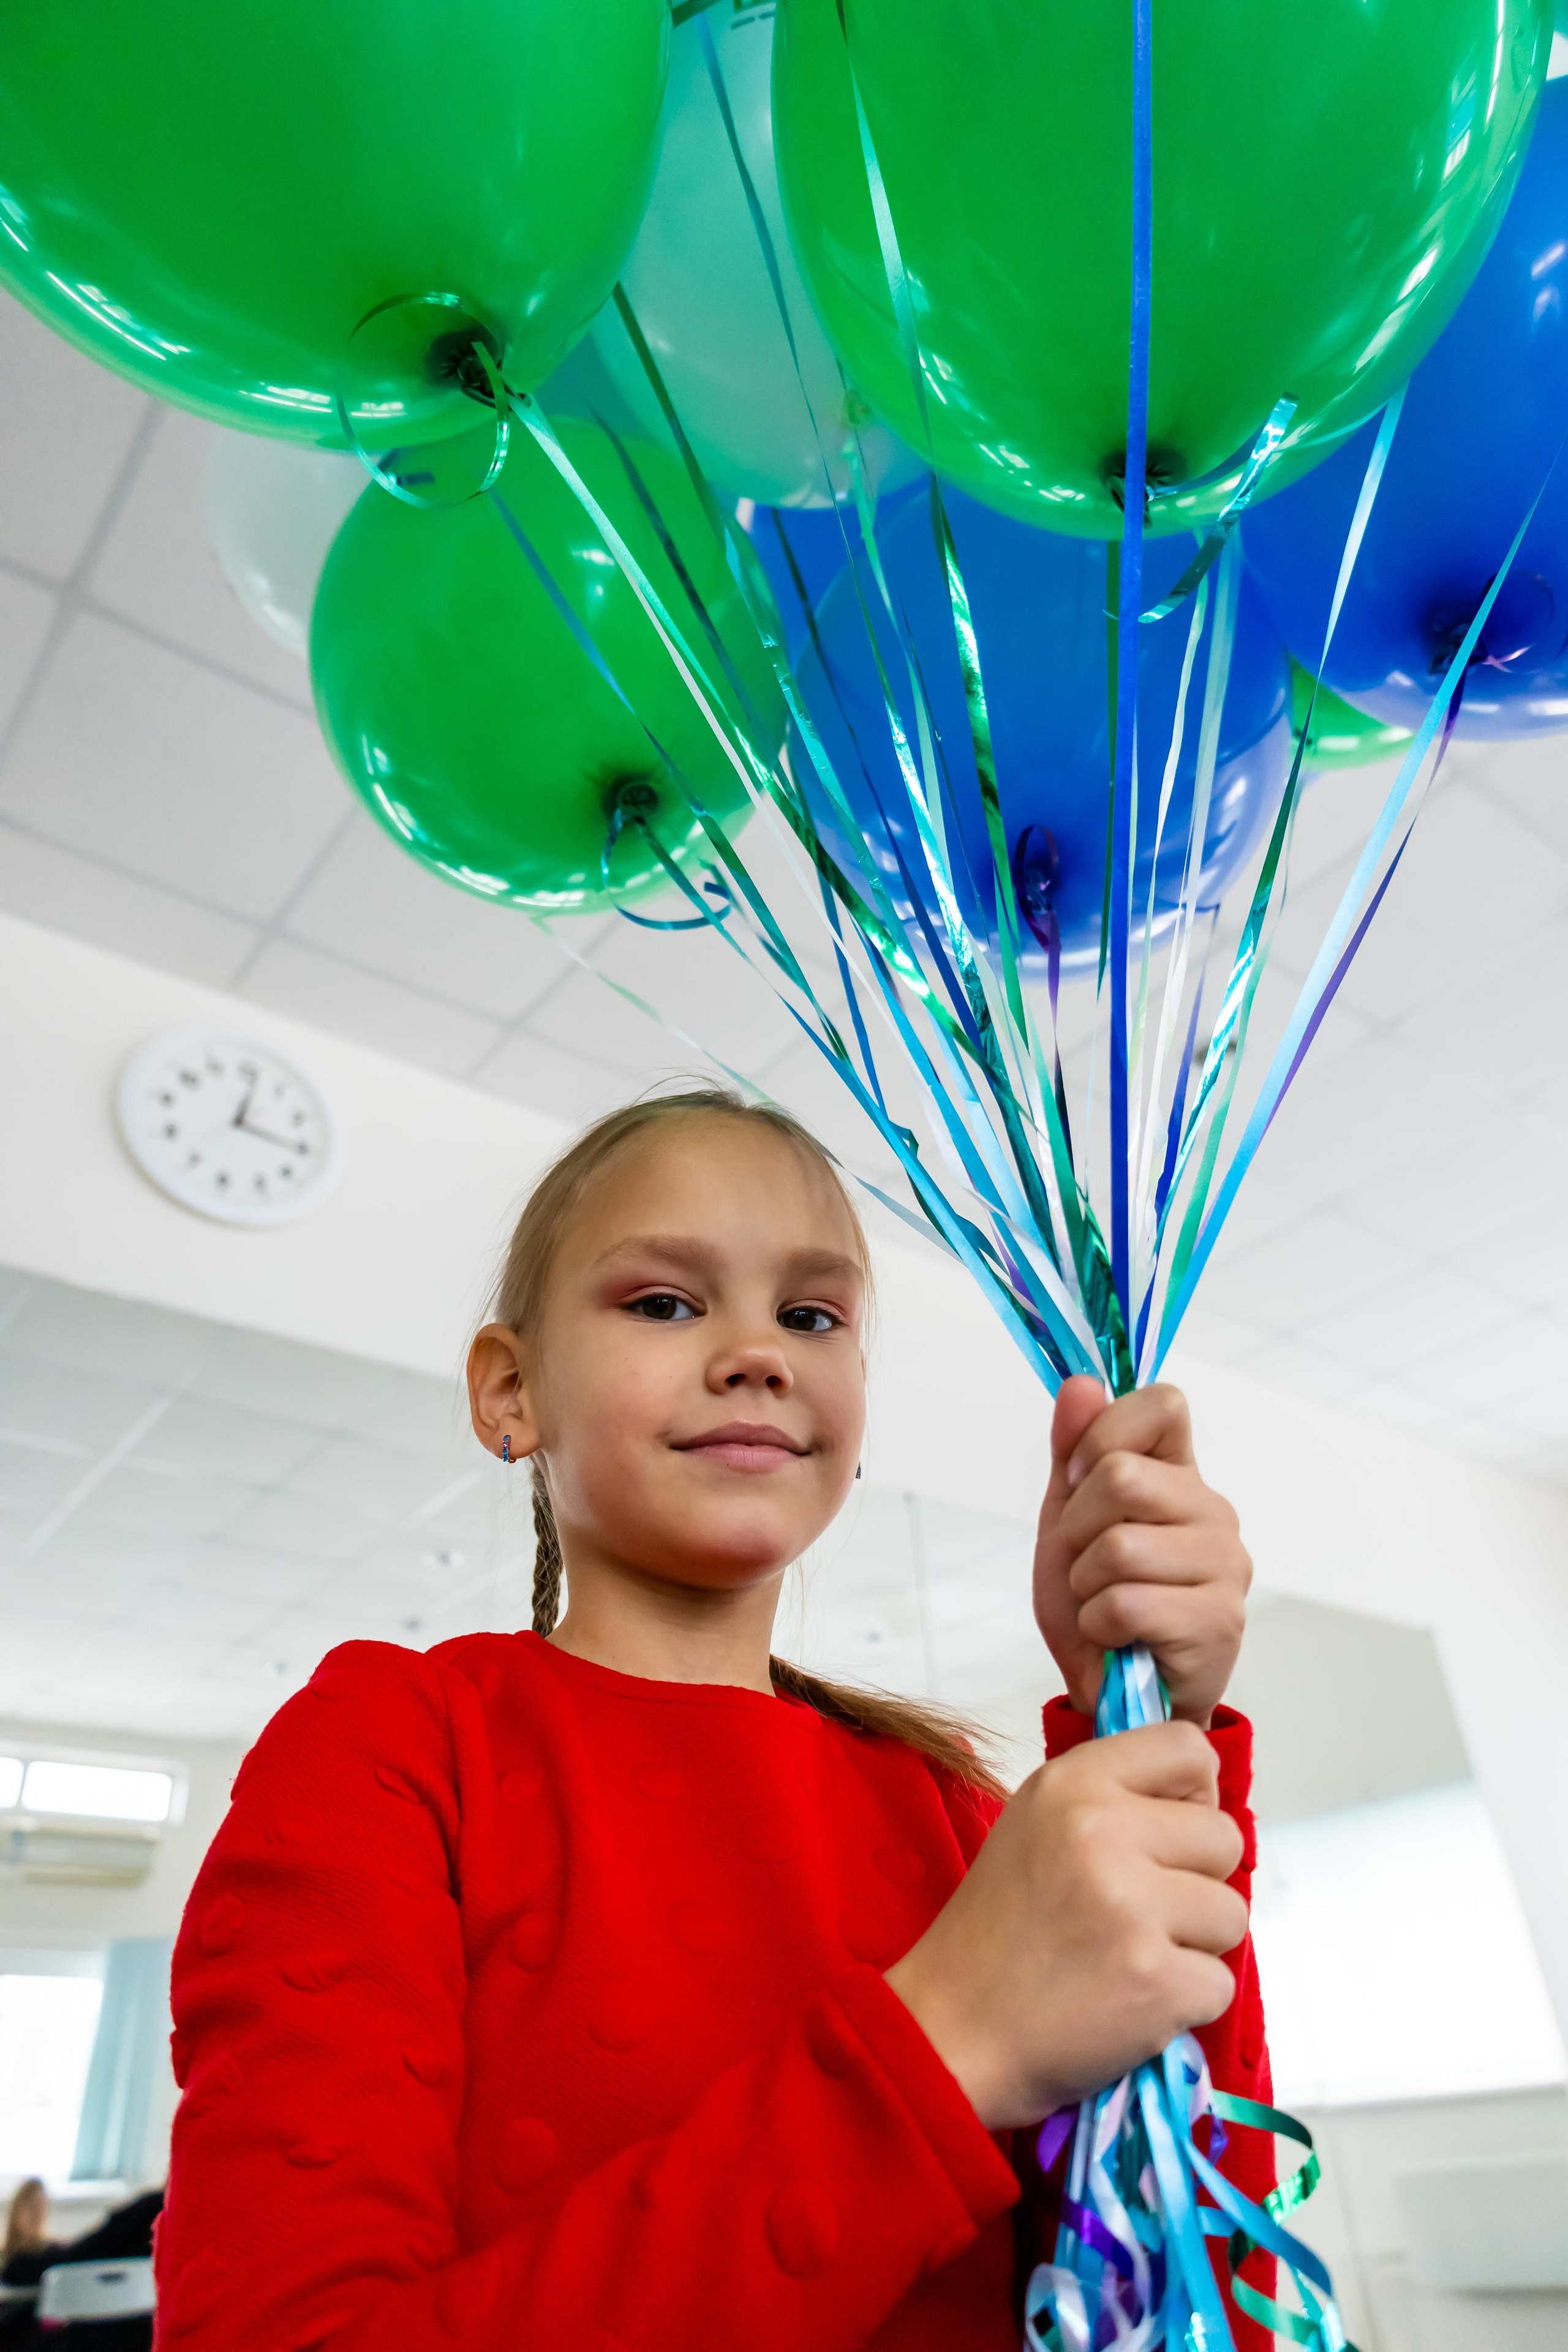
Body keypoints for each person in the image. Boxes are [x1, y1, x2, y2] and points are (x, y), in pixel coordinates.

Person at [156, 1087, 1271, 2350]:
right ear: (509, 1391)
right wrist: (943, 2041)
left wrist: (1148, 1729)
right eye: (664, 1303)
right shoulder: (397, 1743)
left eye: (810, 1315)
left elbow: (1188, 2299)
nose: (758, 1353)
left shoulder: (953, 1807)